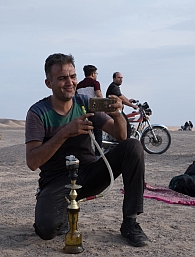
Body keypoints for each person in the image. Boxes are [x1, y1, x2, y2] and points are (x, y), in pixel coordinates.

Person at [25, 53, 148, 247]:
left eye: (72, 76)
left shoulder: (85, 104)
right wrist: (65, 132)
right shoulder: (38, 113)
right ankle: (59, 209)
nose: (70, 82)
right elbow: (32, 162)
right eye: (62, 78)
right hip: (57, 180)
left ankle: (130, 223)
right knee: (46, 230)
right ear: (48, 83)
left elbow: (121, 136)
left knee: (133, 147)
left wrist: (117, 116)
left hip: (90, 173)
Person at [76, 65, 103, 156]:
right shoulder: (95, 83)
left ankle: (85, 153)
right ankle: (98, 154)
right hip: (94, 110)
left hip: (82, 112)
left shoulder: (79, 85)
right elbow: (98, 95)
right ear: (92, 74)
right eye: (96, 73)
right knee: (98, 134)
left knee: (85, 134)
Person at [106, 72, 137, 137]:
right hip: (115, 111)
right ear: (114, 79)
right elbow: (121, 98)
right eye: (119, 78)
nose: (121, 79)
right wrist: (132, 106)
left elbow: (121, 96)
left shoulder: (115, 87)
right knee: (127, 128)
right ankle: (126, 142)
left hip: (114, 111)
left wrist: (129, 101)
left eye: (121, 78)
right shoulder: (114, 87)